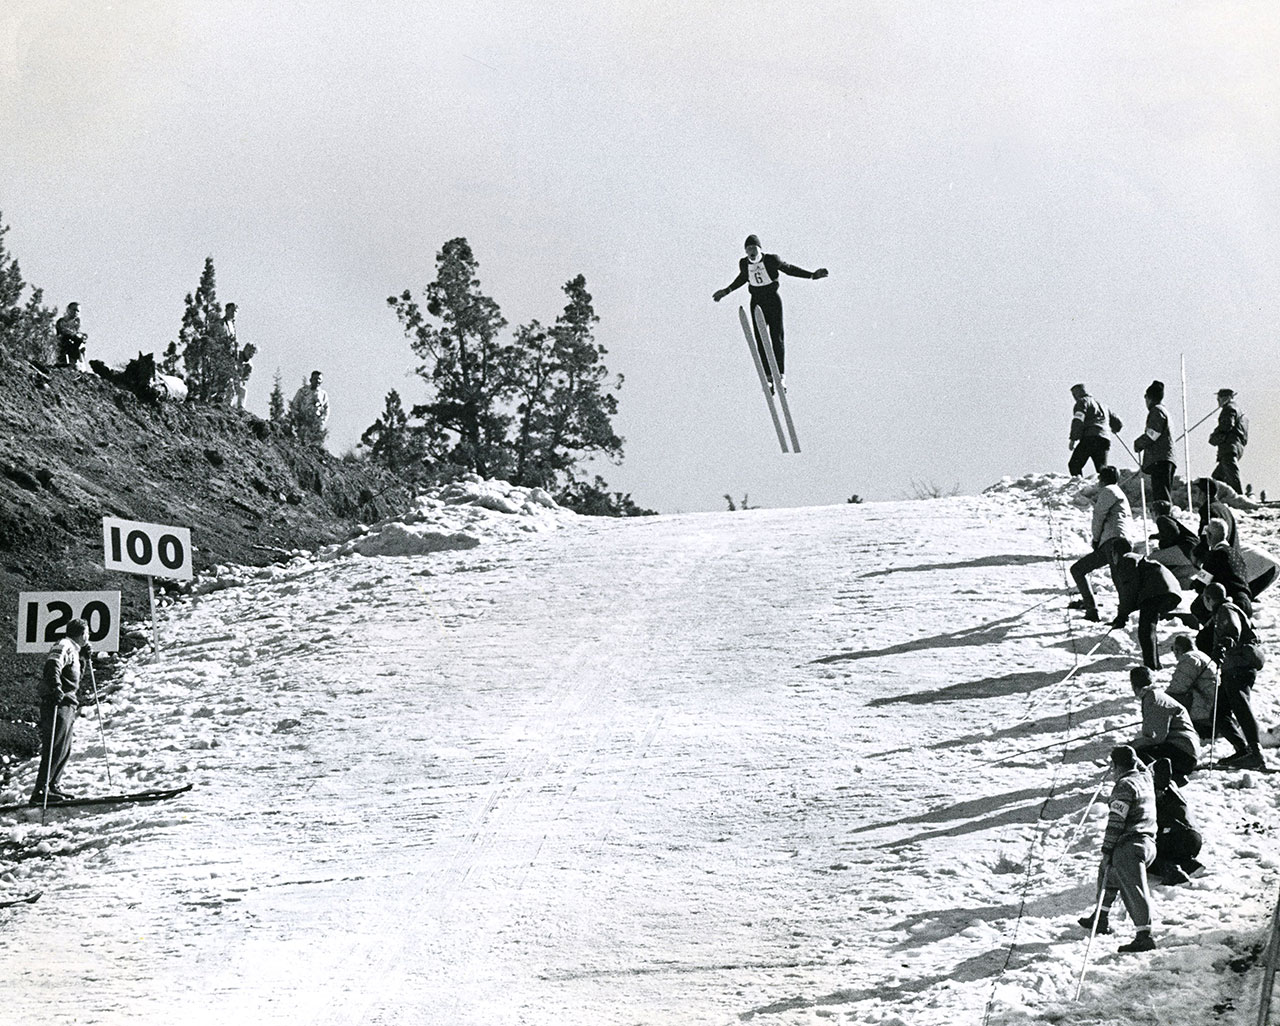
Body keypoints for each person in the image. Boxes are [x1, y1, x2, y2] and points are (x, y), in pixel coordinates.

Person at [712, 235, 828, 390]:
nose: (751, 252)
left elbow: (789, 269)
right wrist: (726, 291)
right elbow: (742, 278)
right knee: (761, 339)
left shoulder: (771, 260)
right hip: (757, 301)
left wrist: (812, 275)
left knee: (776, 336)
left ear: (760, 249)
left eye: (754, 249)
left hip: (772, 300)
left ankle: (780, 377)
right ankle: (767, 376)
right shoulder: (743, 264)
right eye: (748, 250)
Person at [1077, 745, 1157, 953]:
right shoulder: (1144, 778)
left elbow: (1116, 822)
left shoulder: (1124, 786)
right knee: (1107, 873)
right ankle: (1100, 917)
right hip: (1148, 843)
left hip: (1129, 845)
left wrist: (1107, 850)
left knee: (1133, 888)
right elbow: (1142, 766)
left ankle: (1144, 936)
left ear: (1114, 766)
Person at [1202, 583, 1268, 770]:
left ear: (1208, 599)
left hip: (1238, 666)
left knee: (1240, 706)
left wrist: (1224, 643)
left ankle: (1255, 753)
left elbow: (1231, 628)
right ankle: (1243, 750)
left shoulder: (1225, 608)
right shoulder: (1225, 609)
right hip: (1234, 667)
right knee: (1219, 712)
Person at [29, 618, 90, 804]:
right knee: (55, 745)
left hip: (68, 702)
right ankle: (41, 790)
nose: (88, 637)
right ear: (81, 633)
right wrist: (56, 687)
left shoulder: (74, 650)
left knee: (64, 746)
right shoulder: (64, 645)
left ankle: (53, 785)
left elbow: (75, 677)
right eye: (87, 633)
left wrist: (84, 659)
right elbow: (53, 665)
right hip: (58, 701)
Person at [1070, 466, 1133, 622]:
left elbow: (1098, 516)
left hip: (1112, 540)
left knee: (1081, 570)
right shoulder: (1118, 493)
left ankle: (1108, 613)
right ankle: (1110, 612)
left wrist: (1096, 538)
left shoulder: (1108, 491)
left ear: (1102, 479)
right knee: (1116, 576)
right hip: (1115, 540)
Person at [1110, 551, 1183, 670]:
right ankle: (1155, 663)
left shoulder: (1126, 559)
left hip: (1156, 589)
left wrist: (1122, 616)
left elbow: (1129, 590)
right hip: (1170, 590)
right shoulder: (1139, 559)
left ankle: (1151, 666)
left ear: (1115, 553)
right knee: (1149, 628)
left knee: (1145, 630)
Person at [1127, 666, 1199, 783]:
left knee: (1136, 755)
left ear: (1134, 686)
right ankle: (1172, 775)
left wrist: (1131, 745)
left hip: (1184, 753)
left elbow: (1156, 737)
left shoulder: (1153, 699)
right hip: (1185, 750)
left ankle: (1168, 779)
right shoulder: (1155, 696)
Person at [1148, 758, 1204, 886]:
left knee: (1148, 852)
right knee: (1175, 851)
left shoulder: (1156, 794)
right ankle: (1189, 864)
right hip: (1194, 836)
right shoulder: (1172, 786)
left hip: (1177, 836)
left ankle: (1174, 874)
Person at [1133, 380, 1175, 512]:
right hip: (1167, 458)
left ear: (1149, 398)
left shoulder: (1156, 411)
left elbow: (1153, 434)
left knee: (1161, 498)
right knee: (1163, 495)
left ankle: (1165, 523)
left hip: (1159, 459)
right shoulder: (1165, 411)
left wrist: (1139, 443)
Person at [1165, 634, 1217, 741]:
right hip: (1213, 707)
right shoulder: (1203, 656)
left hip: (1204, 710)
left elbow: (1178, 687)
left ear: (1178, 649)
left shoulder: (1189, 658)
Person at [1067, 383, 1115, 477]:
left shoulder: (1082, 402)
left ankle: (1078, 485)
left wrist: (1073, 438)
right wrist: (1115, 428)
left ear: (1077, 393)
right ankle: (1107, 487)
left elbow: (1078, 420)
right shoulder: (1103, 405)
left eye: (1074, 395)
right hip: (1104, 439)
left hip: (1090, 438)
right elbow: (1117, 422)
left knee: (1074, 464)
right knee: (1101, 469)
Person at [1207, 388, 1247, 494]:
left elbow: (1227, 425)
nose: (1218, 402)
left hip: (1229, 447)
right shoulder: (1240, 411)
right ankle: (1215, 499)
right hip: (1236, 447)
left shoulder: (1229, 408)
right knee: (1217, 478)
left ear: (1225, 398)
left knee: (1232, 475)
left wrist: (1214, 436)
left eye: (1218, 399)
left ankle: (1240, 499)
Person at [291, 370, 330, 445]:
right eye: (315, 379)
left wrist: (322, 421)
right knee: (301, 441)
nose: (317, 381)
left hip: (316, 423)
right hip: (303, 421)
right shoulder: (303, 391)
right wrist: (297, 416)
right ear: (311, 380)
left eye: (319, 379)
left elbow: (326, 409)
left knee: (314, 443)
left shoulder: (323, 394)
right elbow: (295, 404)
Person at [54, 302, 88, 369]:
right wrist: (74, 336)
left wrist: (83, 337)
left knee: (81, 347)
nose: (75, 312)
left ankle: (79, 365)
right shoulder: (61, 321)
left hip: (74, 343)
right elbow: (63, 332)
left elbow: (78, 332)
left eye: (77, 311)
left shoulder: (77, 323)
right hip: (63, 343)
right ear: (68, 309)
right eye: (74, 309)